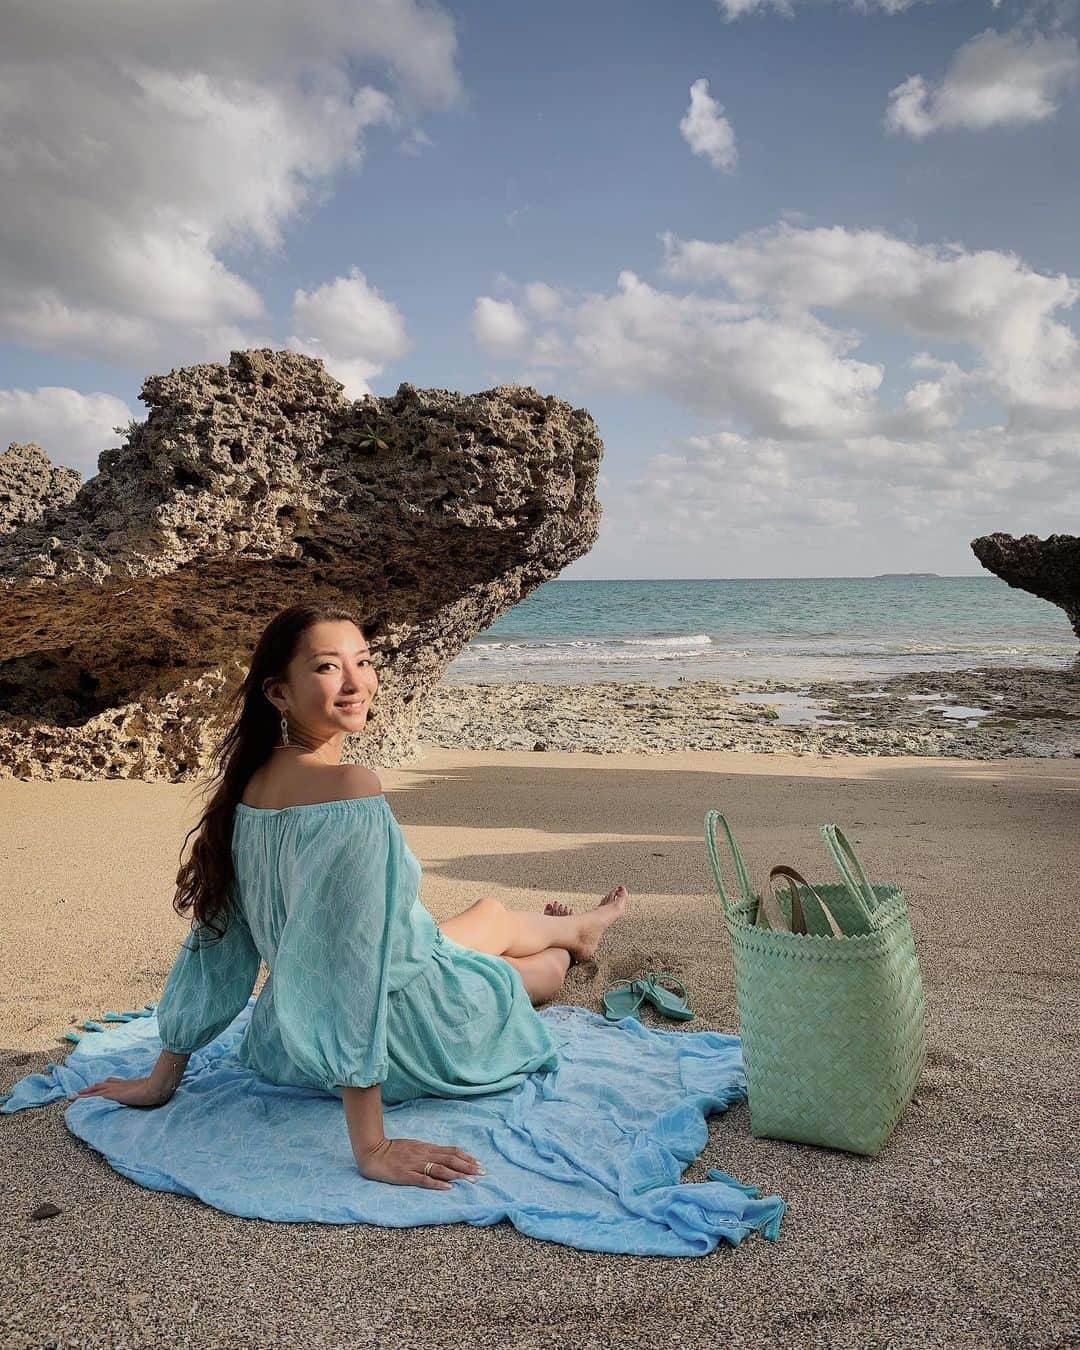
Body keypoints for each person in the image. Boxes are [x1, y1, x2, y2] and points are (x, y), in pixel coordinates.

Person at [71, 602, 629, 1192]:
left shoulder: (248, 788)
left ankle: (577, 927)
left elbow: (217, 944)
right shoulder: (350, 789)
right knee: (525, 978)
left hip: (288, 1040)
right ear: (279, 694)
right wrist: (372, 1144)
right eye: (328, 668)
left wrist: (164, 1076)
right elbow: (351, 960)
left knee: (482, 919)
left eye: (363, 662)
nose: (357, 682)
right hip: (402, 1034)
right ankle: (568, 948)